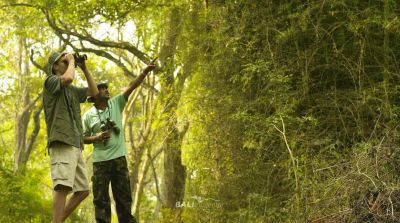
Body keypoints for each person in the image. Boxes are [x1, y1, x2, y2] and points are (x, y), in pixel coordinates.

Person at [82, 59, 156, 223]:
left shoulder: (115, 103)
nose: (107, 90)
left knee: (123, 199)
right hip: (100, 162)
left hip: (119, 159)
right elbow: (81, 138)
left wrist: (145, 71)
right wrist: (96, 137)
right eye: (102, 89)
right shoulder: (87, 116)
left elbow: (131, 86)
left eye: (107, 88)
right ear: (94, 95)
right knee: (101, 201)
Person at [43, 51, 99, 223]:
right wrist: (72, 60)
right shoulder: (50, 81)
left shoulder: (72, 90)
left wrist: (84, 67)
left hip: (76, 143)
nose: (67, 63)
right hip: (62, 141)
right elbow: (67, 79)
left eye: (67, 61)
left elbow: (94, 92)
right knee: (63, 186)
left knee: (83, 190)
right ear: (55, 66)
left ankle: (56, 221)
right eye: (64, 61)